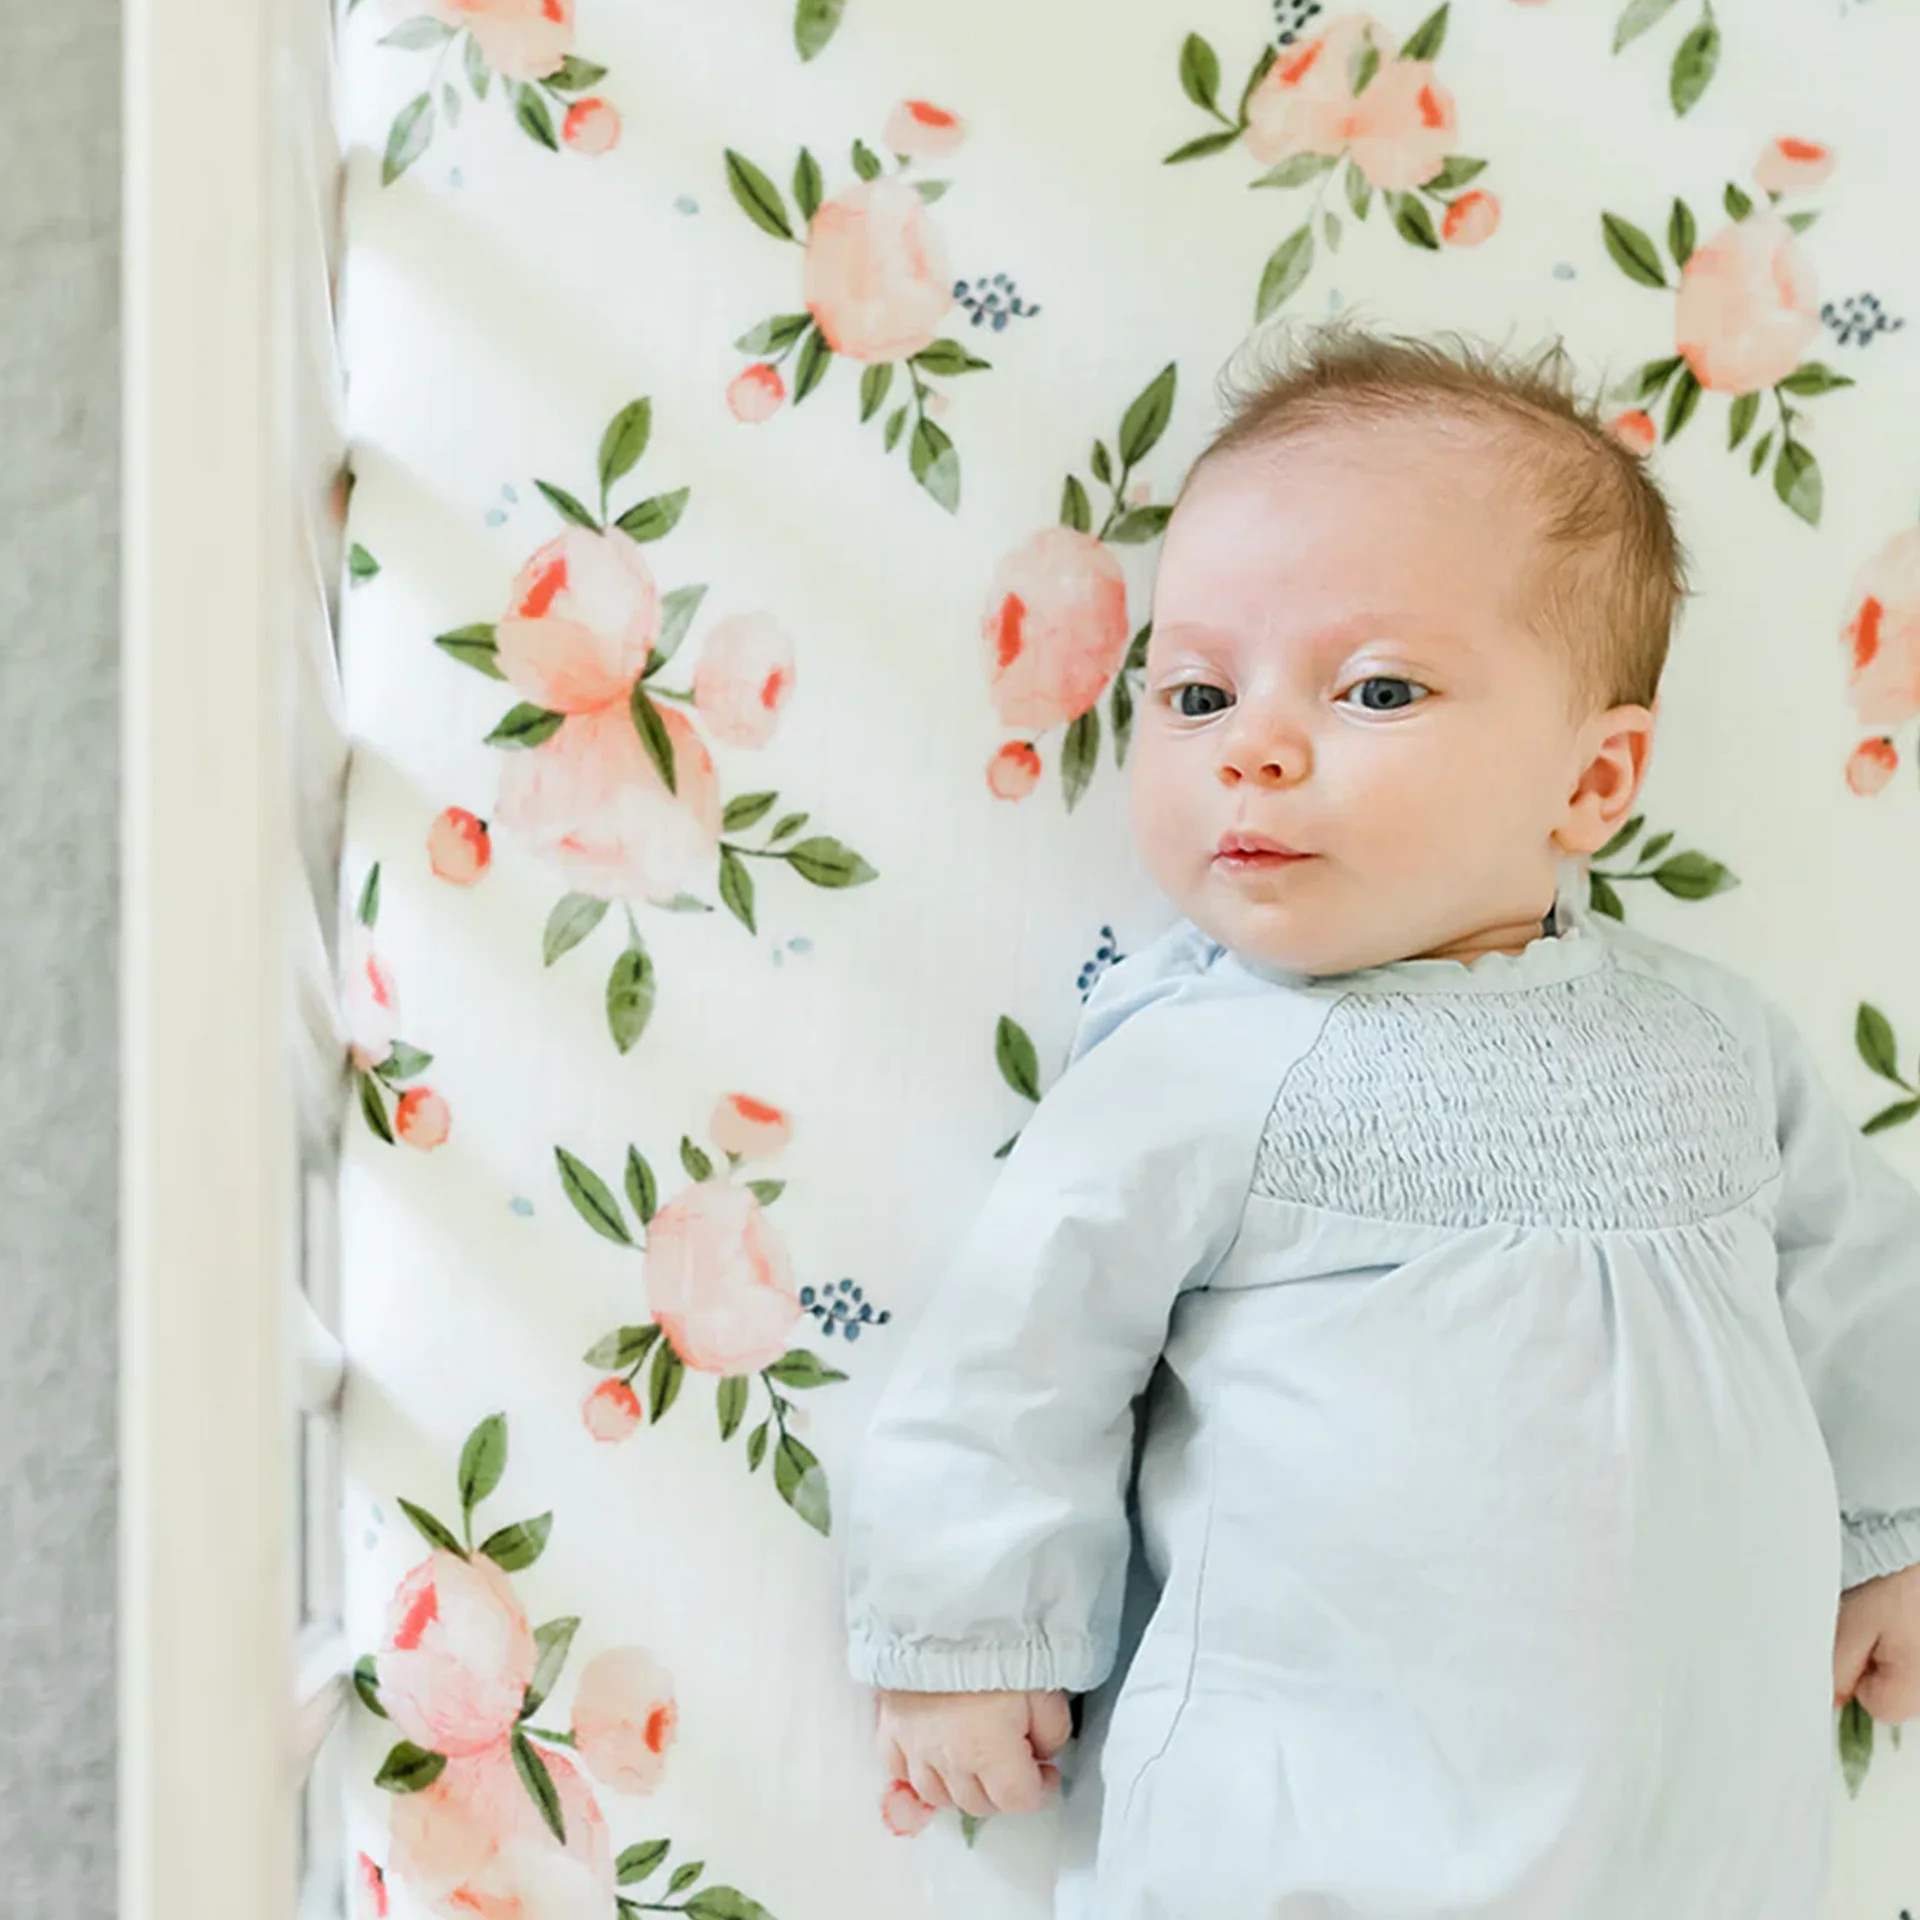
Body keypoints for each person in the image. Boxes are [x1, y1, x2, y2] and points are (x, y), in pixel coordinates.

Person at [841, 320, 1920, 1917]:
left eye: (1376, 688)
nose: (1254, 747)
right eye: (1196, 691)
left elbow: (1854, 1286)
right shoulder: (1199, 1063)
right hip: (1310, 1824)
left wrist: (1886, 1526)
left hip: (1691, 1828)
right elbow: (1018, 1352)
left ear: (1594, 781)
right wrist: (970, 1635)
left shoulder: (1713, 1035)